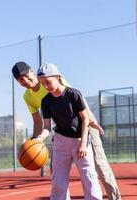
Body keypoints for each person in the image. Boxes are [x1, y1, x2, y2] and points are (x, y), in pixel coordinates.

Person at [12, 61, 121, 200]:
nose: (26, 81)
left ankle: (115, 197)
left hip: (83, 121)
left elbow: (77, 102)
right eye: (21, 80)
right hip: (62, 128)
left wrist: (91, 123)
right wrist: (36, 141)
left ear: (32, 71)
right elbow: (38, 121)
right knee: (56, 170)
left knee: (99, 165)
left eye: (26, 76)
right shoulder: (28, 96)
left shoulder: (53, 78)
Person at [36, 63, 103, 199]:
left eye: (47, 82)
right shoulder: (46, 101)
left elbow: (85, 119)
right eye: (42, 84)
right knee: (58, 179)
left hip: (80, 139)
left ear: (57, 77)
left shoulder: (74, 94)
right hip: (61, 141)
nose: (46, 86)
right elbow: (47, 127)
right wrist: (40, 138)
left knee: (89, 176)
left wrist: (83, 143)